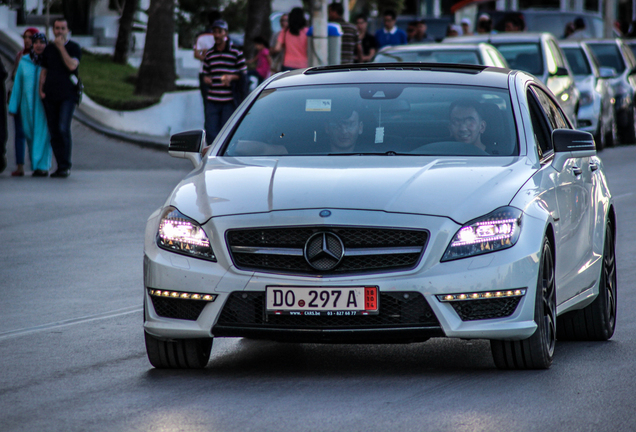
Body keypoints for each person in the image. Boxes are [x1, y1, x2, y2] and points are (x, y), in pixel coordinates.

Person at [39, 17, 81, 178]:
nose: (59, 31)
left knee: (63, 128)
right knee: (54, 130)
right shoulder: (48, 49)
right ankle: (60, 167)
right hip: (50, 95)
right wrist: (40, 89)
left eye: (62, 28)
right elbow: (44, 70)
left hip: (68, 96)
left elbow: (72, 65)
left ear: (67, 30)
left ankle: (66, 165)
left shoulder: (74, 47)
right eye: (57, 28)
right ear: (53, 29)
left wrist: (61, 47)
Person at [9, 33, 51, 177]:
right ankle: (36, 165)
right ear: (32, 44)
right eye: (36, 42)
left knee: (43, 135)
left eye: (42, 42)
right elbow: (18, 85)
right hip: (26, 106)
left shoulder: (49, 61)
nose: (39, 45)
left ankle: (43, 166)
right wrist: (13, 106)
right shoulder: (24, 61)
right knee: (29, 134)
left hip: (43, 106)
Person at [202, 19, 246, 144]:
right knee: (210, 131)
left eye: (219, 32)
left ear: (225, 33)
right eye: (214, 32)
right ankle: (211, 157)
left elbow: (242, 75)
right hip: (213, 100)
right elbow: (206, 74)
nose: (217, 35)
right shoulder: (210, 54)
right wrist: (207, 79)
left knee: (226, 131)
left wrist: (231, 77)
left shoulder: (236, 52)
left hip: (229, 100)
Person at [8, 27, 38, 176]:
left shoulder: (40, 57)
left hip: (33, 101)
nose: (26, 40)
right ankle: (20, 166)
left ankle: (36, 164)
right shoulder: (20, 55)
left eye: (30, 37)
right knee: (19, 133)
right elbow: (14, 77)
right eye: (25, 37)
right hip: (20, 100)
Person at [194, 10, 221, 116]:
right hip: (219, 71)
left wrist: (206, 58)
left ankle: (209, 128)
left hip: (204, 72)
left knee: (207, 102)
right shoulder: (223, 37)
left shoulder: (201, 36)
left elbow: (196, 54)